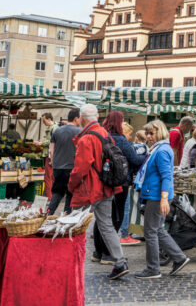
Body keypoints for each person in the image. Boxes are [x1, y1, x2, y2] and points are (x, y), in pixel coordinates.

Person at [68, 104, 129, 280]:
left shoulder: (86, 138)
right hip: (106, 187)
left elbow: (80, 169)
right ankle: (120, 263)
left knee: (75, 225)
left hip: (89, 190)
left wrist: (71, 186)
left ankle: (71, 261)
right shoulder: (104, 133)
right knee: (107, 226)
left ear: (82, 118)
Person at [133, 119, 190, 279]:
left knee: (151, 231)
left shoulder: (162, 150)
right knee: (156, 229)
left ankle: (153, 269)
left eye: (152, 133)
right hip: (156, 194)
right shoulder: (158, 148)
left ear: (160, 132)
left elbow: (167, 176)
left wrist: (164, 198)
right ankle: (179, 258)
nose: (149, 136)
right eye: (148, 133)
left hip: (157, 196)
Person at [93, 111, 144, 256]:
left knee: (102, 218)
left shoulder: (101, 137)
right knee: (116, 217)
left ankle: (98, 252)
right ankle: (108, 253)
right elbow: (134, 159)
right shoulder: (121, 140)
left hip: (103, 181)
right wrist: (147, 156)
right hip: (120, 182)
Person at [47, 108, 81, 215]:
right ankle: (66, 216)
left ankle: (49, 213)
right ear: (76, 119)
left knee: (57, 192)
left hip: (58, 168)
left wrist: (53, 165)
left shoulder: (57, 131)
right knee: (70, 194)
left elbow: (51, 151)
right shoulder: (80, 132)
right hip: (72, 168)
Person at [118, 122, 143, 245]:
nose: (130, 137)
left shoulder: (113, 139)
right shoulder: (124, 142)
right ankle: (124, 235)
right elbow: (135, 159)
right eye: (129, 134)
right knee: (125, 208)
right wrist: (146, 157)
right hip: (123, 180)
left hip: (115, 180)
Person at [40, 112, 57, 199]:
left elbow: (51, 141)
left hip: (50, 155)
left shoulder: (53, 128)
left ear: (49, 119)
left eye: (44, 120)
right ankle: (52, 196)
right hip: (54, 155)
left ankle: (49, 197)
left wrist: (41, 143)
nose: (43, 123)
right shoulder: (55, 127)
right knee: (52, 176)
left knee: (48, 176)